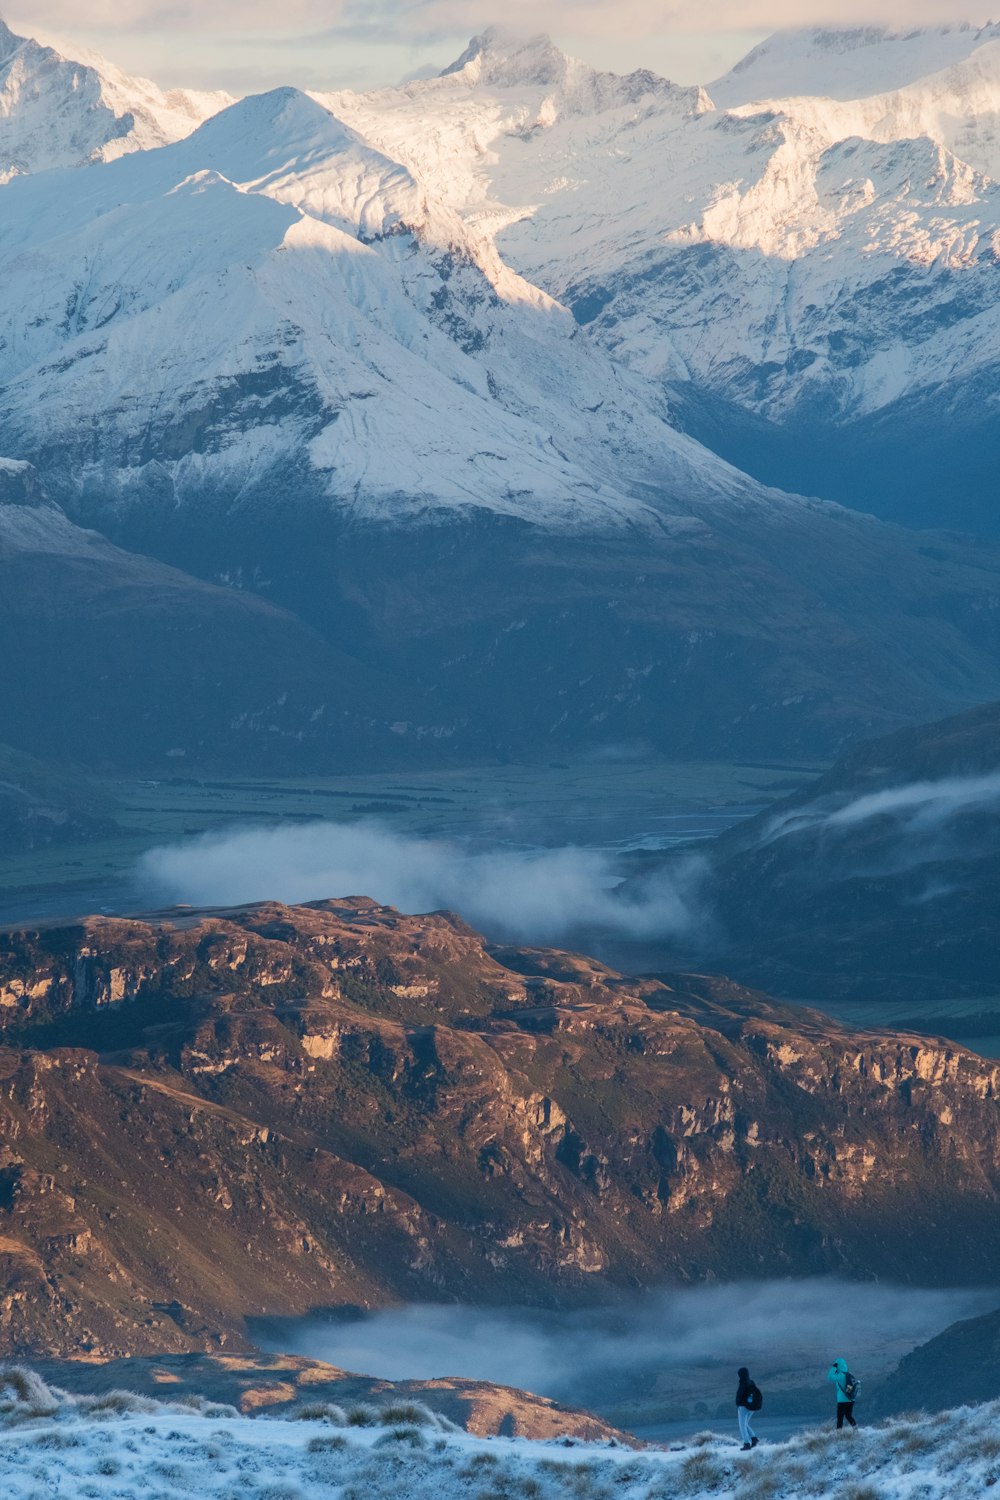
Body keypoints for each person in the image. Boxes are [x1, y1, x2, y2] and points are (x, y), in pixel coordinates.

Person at [827, 1358, 858, 1429]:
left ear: (838, 1366)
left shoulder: (840, 1376)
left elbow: (829, 1377)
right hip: (851, 1399)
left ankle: (839, 1434)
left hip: (842, 1400)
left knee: (840, 1418)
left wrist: (834, 1367)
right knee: (848, 1416)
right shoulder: (849, 1374)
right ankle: (856, 1429)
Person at [736, 1366, 760, 1450]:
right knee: (745, 1424)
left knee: (742, 1426)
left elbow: (740, 1396)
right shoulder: (751, 1382)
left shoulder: (743, 1383)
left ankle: (746, 1444)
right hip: (751, 1408)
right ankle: (754, 1439)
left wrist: (739, 1404)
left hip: (743, 1407)